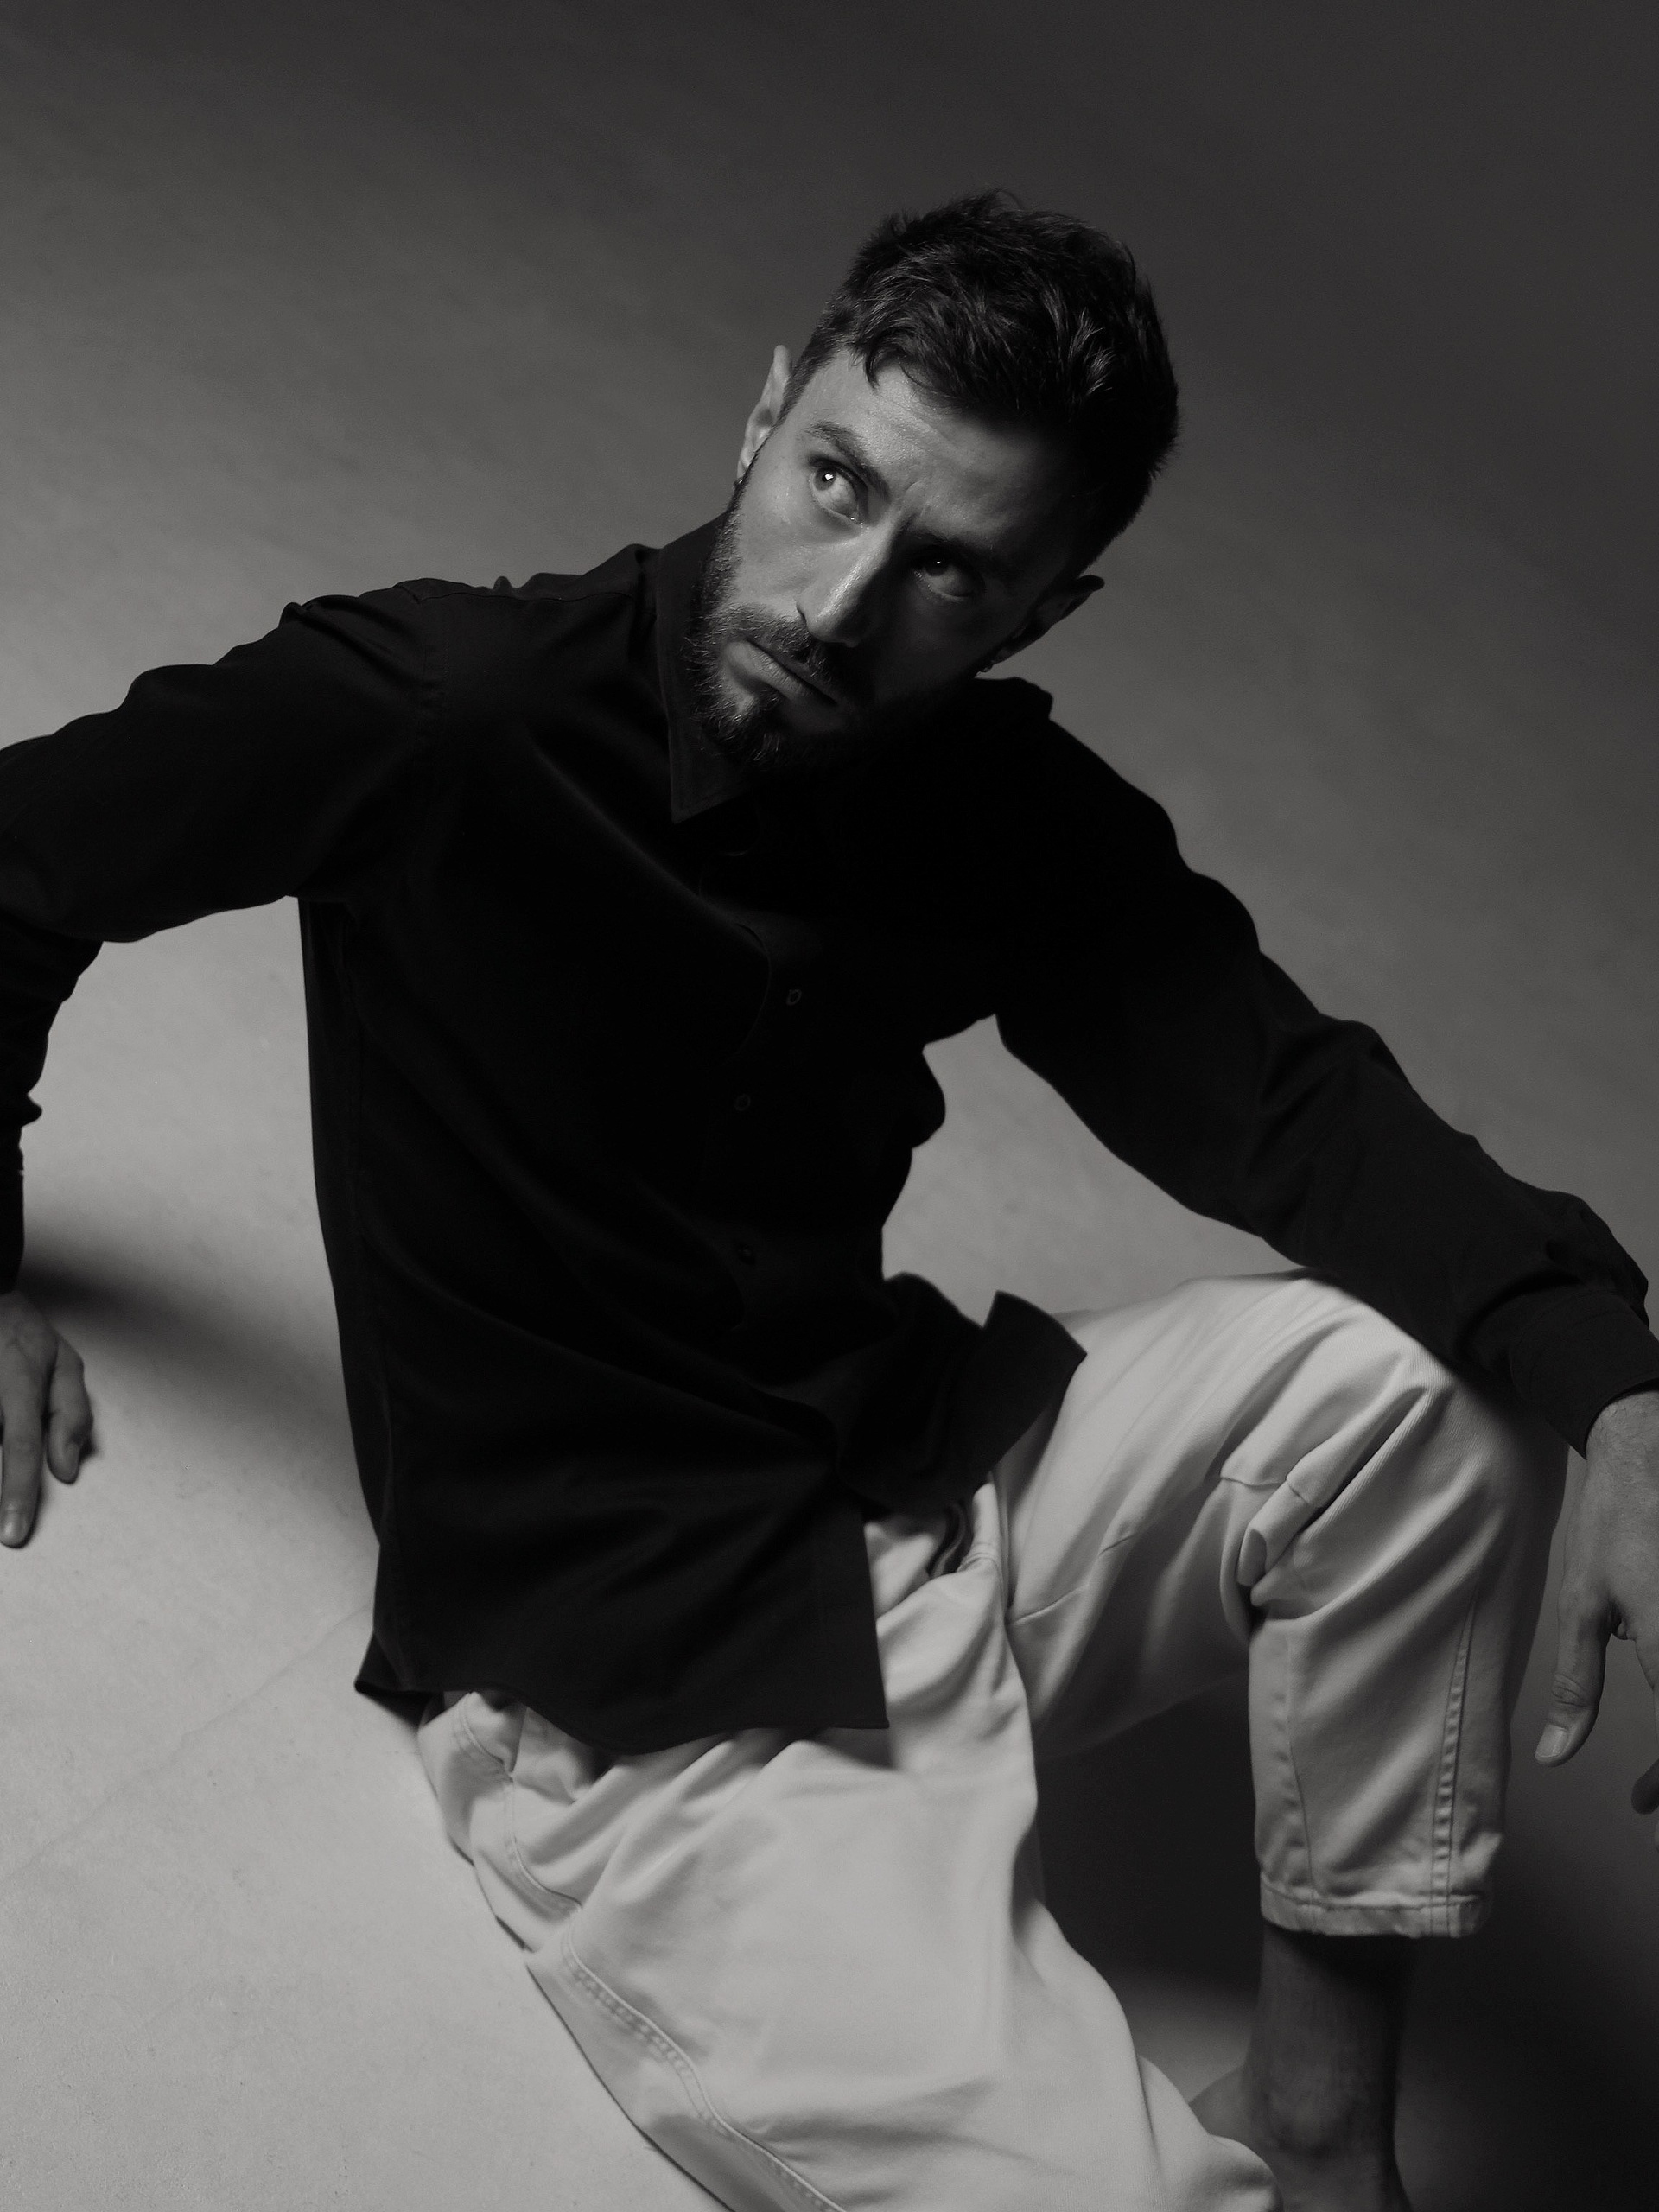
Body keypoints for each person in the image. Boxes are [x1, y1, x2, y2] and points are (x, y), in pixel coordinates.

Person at [0, 190, 1655, 2212]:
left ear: (1043, 609)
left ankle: (1322, 2125)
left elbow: (1288, 1101)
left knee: (1435, 1393)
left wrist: (1626, 1389)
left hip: (920, 1487)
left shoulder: (1004, 810)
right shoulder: (444, 716)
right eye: (836, 483)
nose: (841, 601)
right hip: (639, 1720)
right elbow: (20, 852)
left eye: (950, 569)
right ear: (767, 413)